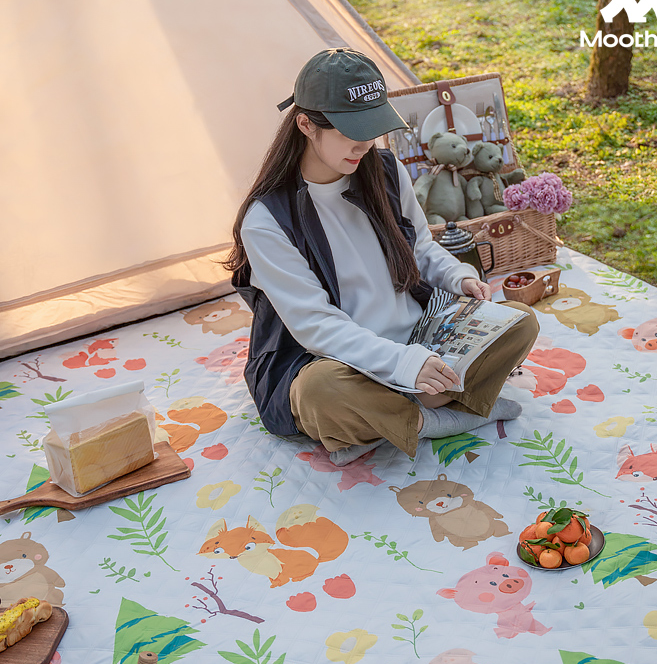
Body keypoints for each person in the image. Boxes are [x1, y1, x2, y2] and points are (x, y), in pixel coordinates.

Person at [224, 47, 539, 466]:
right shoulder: (266, 221)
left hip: (419, 338)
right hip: (335, 360)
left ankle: (382, 423)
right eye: (352, 131)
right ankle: (435, 417)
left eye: (372, 128)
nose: (365, 144)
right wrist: (404, 364)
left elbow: (420, 246)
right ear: (306, 124)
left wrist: (457, 276)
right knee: (321, 392)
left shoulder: (385, 170)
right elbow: (316, 326)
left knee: (520, 321)